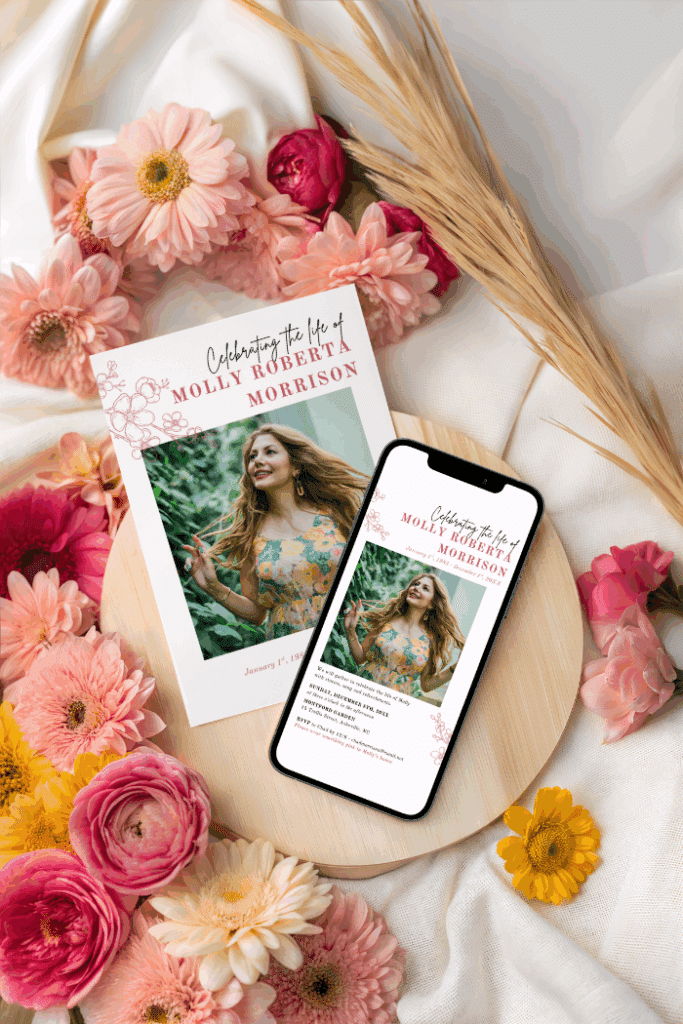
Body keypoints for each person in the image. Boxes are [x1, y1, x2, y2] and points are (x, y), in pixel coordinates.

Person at [183, 424, 369, 640]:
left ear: (296, 466)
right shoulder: (250, 536)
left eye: (269, 452)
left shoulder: (335, 513)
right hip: (290, 646)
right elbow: (257, 613)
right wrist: (214, 587)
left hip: (344, 641)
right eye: (252, 457)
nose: (257, 461)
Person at [343, 573, 465, 699]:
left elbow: (426, 685)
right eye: (416, 584)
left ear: (432, 604)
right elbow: (360, 658)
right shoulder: (387, 620)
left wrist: (455, 668)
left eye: (425, 588)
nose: (416, 588)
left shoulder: (431, 640)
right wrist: (350, 630)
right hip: (360, 692)